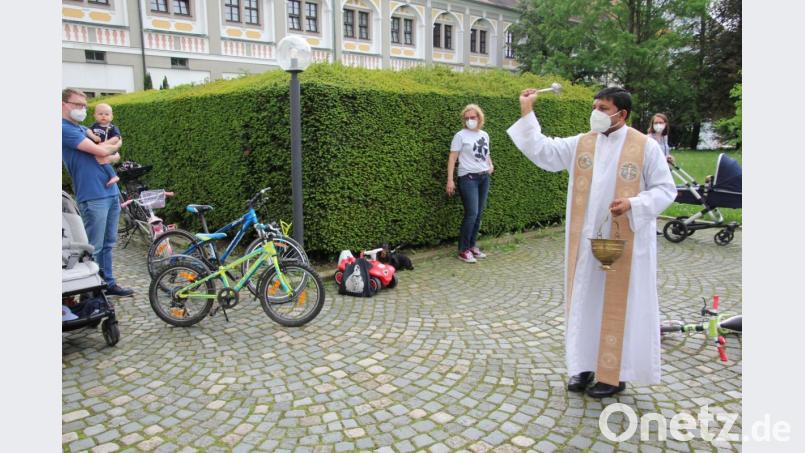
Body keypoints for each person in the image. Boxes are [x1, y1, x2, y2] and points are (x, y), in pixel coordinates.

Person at [507, 87, 676, 397]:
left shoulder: (645, 147)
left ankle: (614, 374)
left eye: (603, 108)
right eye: (595, 106)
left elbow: (666, 190)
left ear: (622, 114)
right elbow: (543, 150)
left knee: (618, 307)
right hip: (587, 244)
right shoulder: (583, 143)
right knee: (585, 302)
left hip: (624, 245)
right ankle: (582, 366)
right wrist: (527, 111)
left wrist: (633, 204)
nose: (596, 113)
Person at [62, 88, 134, 297]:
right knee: (95, 246)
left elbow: (114, 155)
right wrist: (112, 148)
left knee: (109, 243)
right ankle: (91, 292)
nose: (82, 109)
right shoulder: (64, 129)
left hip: (110, 191)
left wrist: (111, 152)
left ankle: (107, 283)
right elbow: (103, 150)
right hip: (92, 195)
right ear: (63, 105)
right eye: (78, 105)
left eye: (85, 106)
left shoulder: (83, 128)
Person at [446, 104, 494, 263]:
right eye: (466, 118)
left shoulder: (484, 135)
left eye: (472, 117)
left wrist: (490, 164)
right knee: (471, 213)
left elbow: (486, 153)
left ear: (479, 118)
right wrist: (450, 179)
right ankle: (463, 250)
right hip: (468, 178)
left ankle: (472, 246)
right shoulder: (460, 136)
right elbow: (453, 157)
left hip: (483, 177)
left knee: (479, 214)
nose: (469, 120)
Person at [87, 103, 122, 187]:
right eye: (100, 114)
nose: (103, 116)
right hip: (97, 149)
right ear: (95, 116)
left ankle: (113, 176)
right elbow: (88, 131)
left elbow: (117, 138)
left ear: (111, 117)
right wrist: (93, 137)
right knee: (98, 161)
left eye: (106, 114)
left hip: (108, 149)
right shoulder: (94, 125)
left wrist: (105, 144)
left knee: (104, 161)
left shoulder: (112, 127)